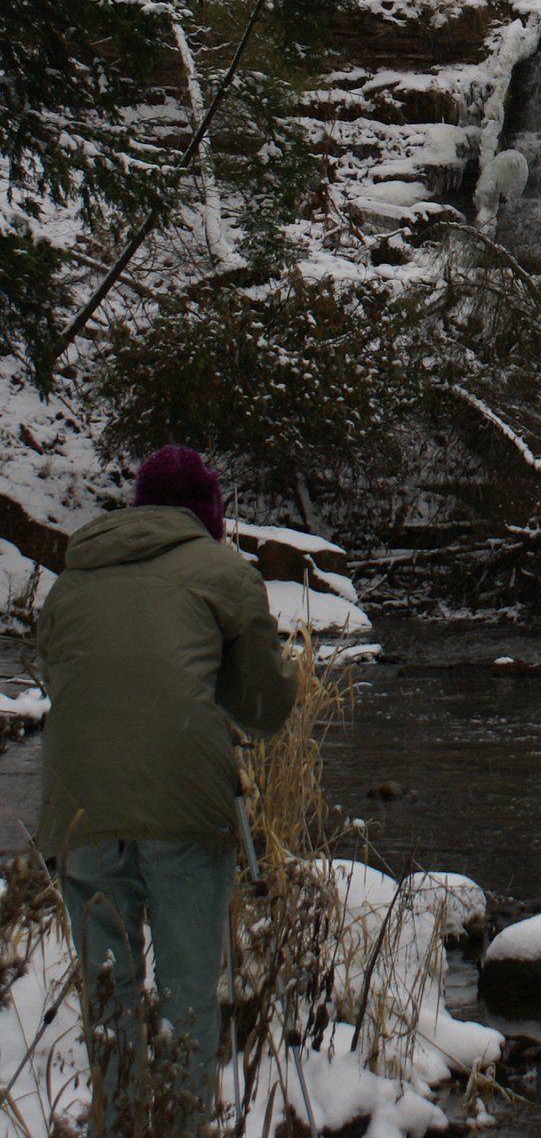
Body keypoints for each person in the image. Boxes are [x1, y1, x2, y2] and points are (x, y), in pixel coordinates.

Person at [36, 446, 299, 1135]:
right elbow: (266, 709)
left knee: (108, 998)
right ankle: (182, 1125)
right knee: (187, 997)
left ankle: (117, 1122)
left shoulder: (72, 578)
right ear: (208, 514)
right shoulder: (221, 571)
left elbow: (61, 674)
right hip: (184, 798)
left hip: (79, 805)